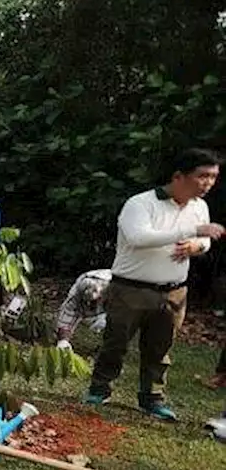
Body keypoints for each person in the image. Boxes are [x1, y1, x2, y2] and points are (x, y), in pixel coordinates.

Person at [85, 149, 225, 419]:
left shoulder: (199, 207)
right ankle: (99, 389)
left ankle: (152, 398)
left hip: (173, 290)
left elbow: (206, 240)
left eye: (213, 177)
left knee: (161, 348)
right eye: (202, 176)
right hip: (131, 288)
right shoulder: (141, 203)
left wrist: (197, 245)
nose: (208, 183)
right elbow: (139, 238)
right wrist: (192, 231)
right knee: (116, 343)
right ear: (179, 176)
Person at [54, 269, 112, 350]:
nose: (91, 304)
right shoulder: (75, 295)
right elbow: (67, 316)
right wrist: (63, 340)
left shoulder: (116, 287)